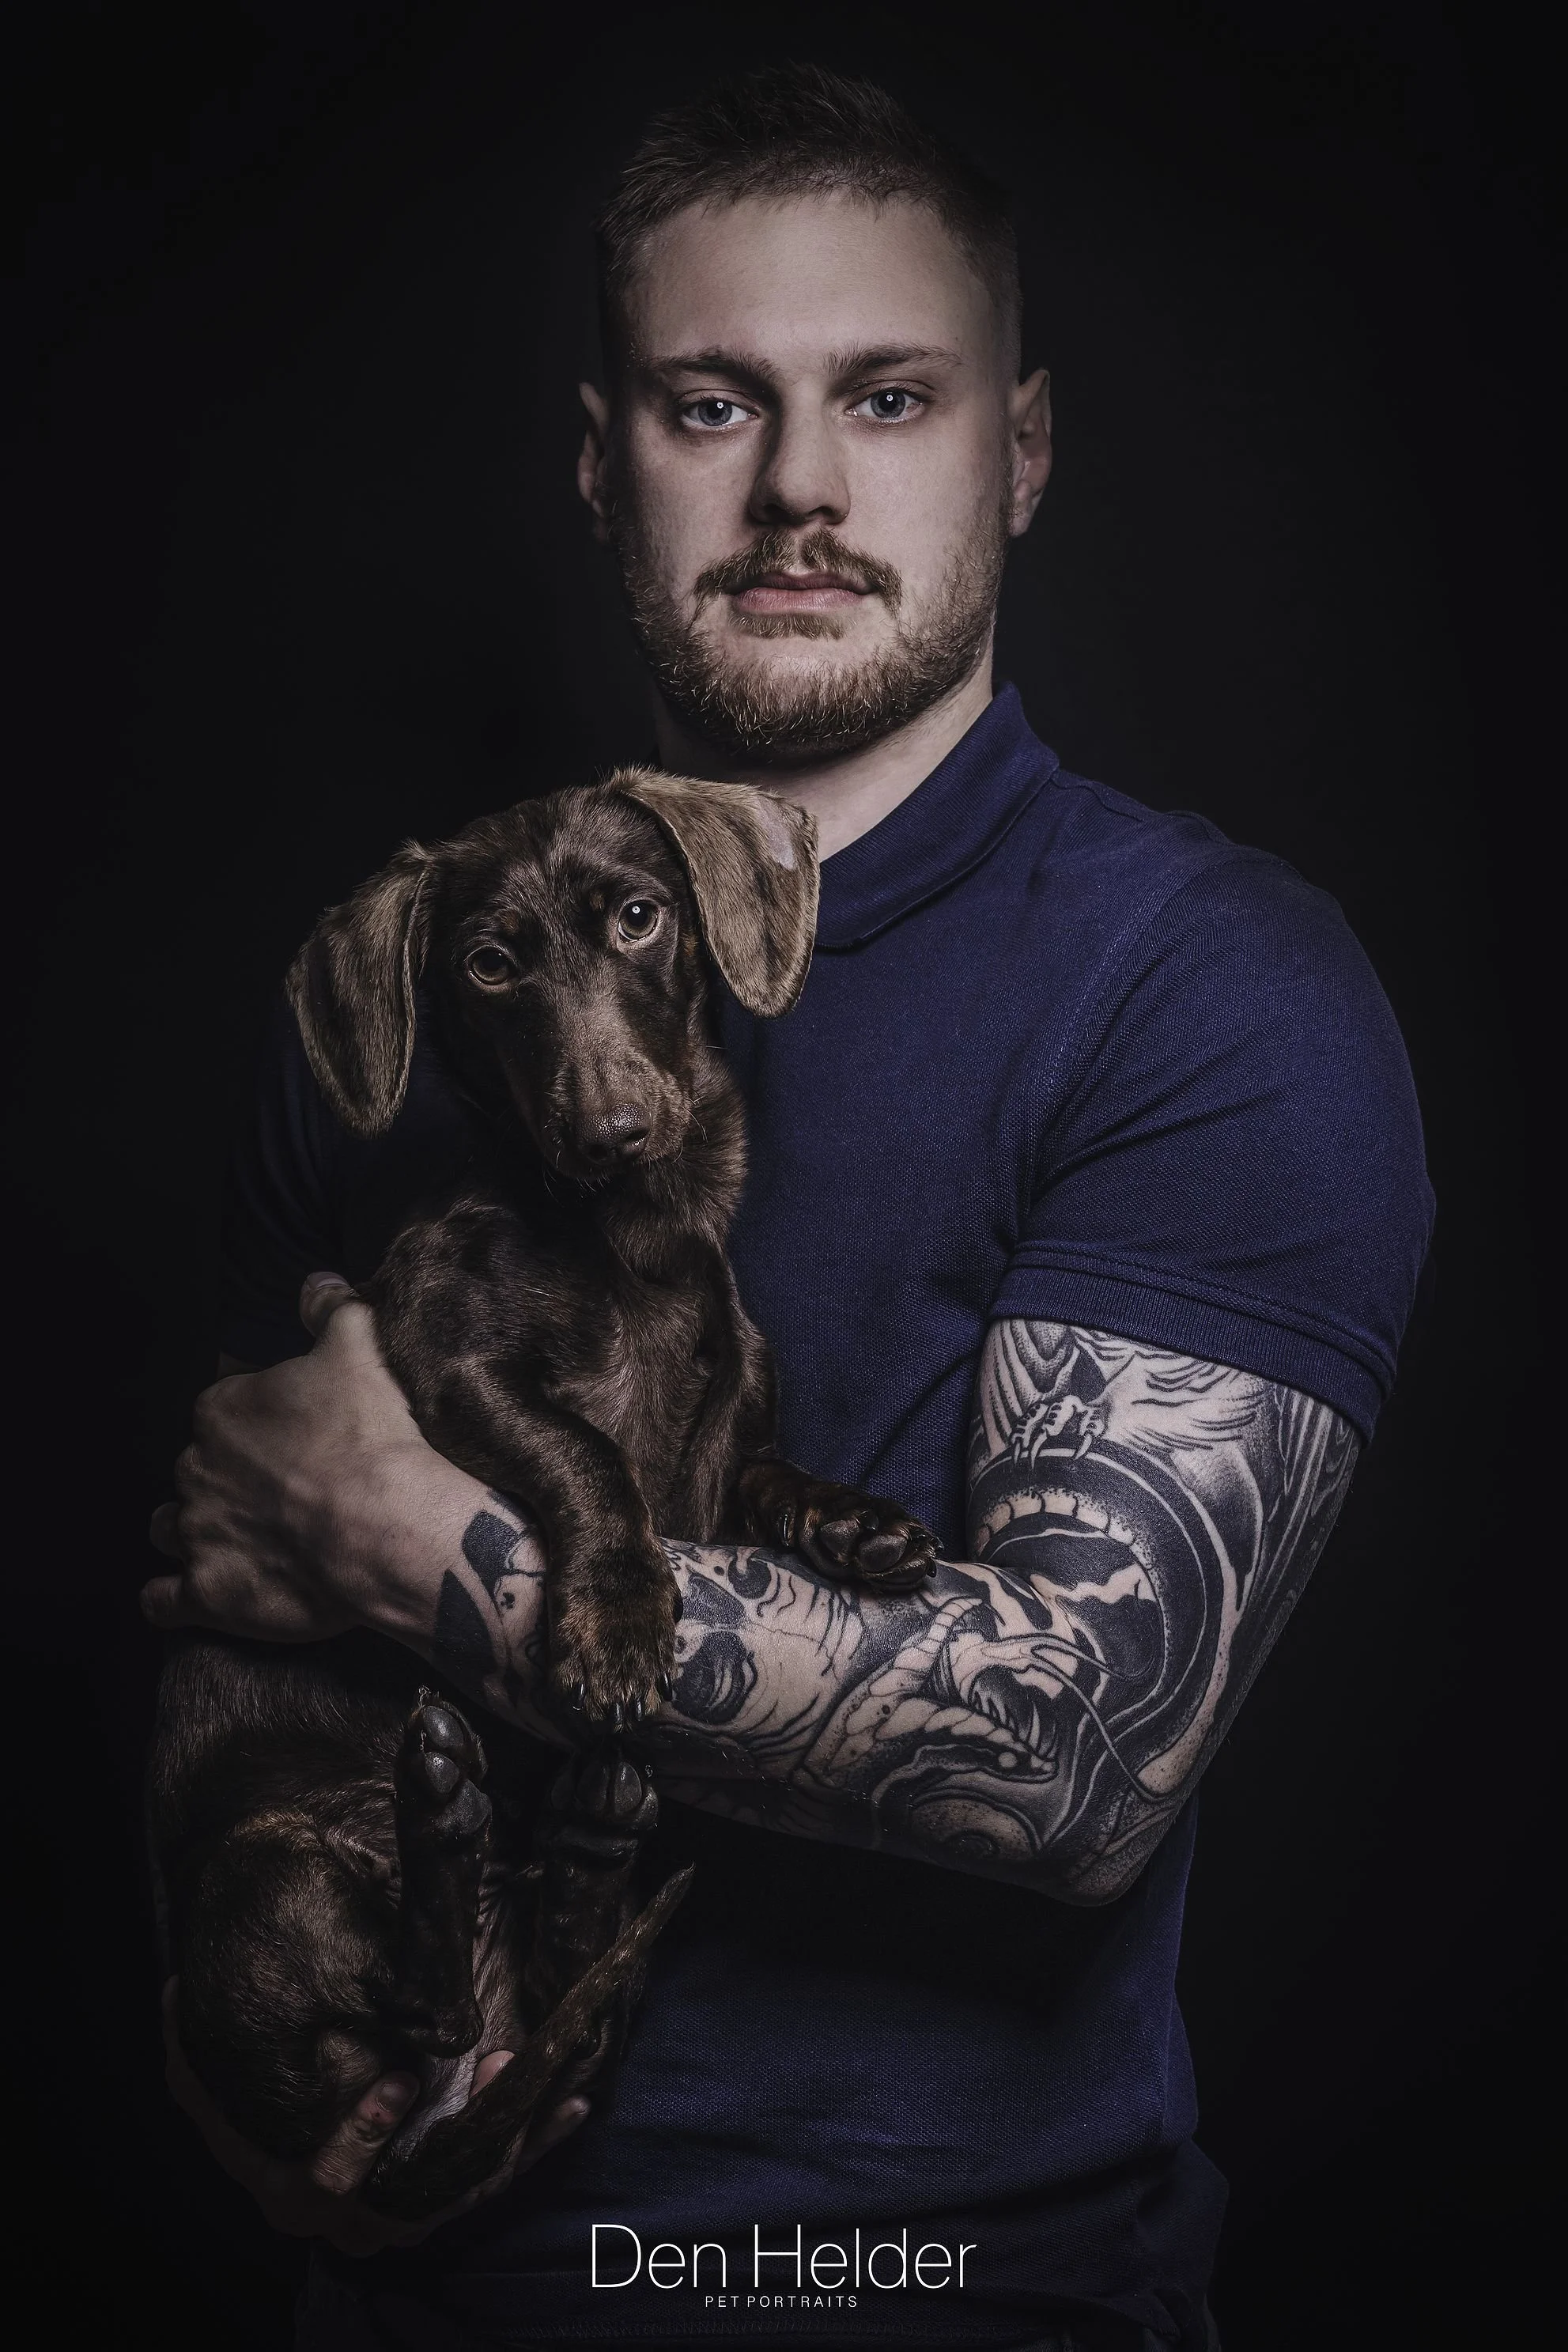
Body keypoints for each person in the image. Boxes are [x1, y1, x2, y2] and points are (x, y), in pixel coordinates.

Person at [143, 64, 1433, 2352]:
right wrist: (257, 2116)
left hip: (950, 2288)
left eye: (891, 396)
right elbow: (232, 1656)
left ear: (1017, 452)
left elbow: (1066, 1754)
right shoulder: (408, 989)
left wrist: (406, 1538)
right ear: (600, 455)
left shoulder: (1206, 990)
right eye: (713, 399)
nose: (803, 484)